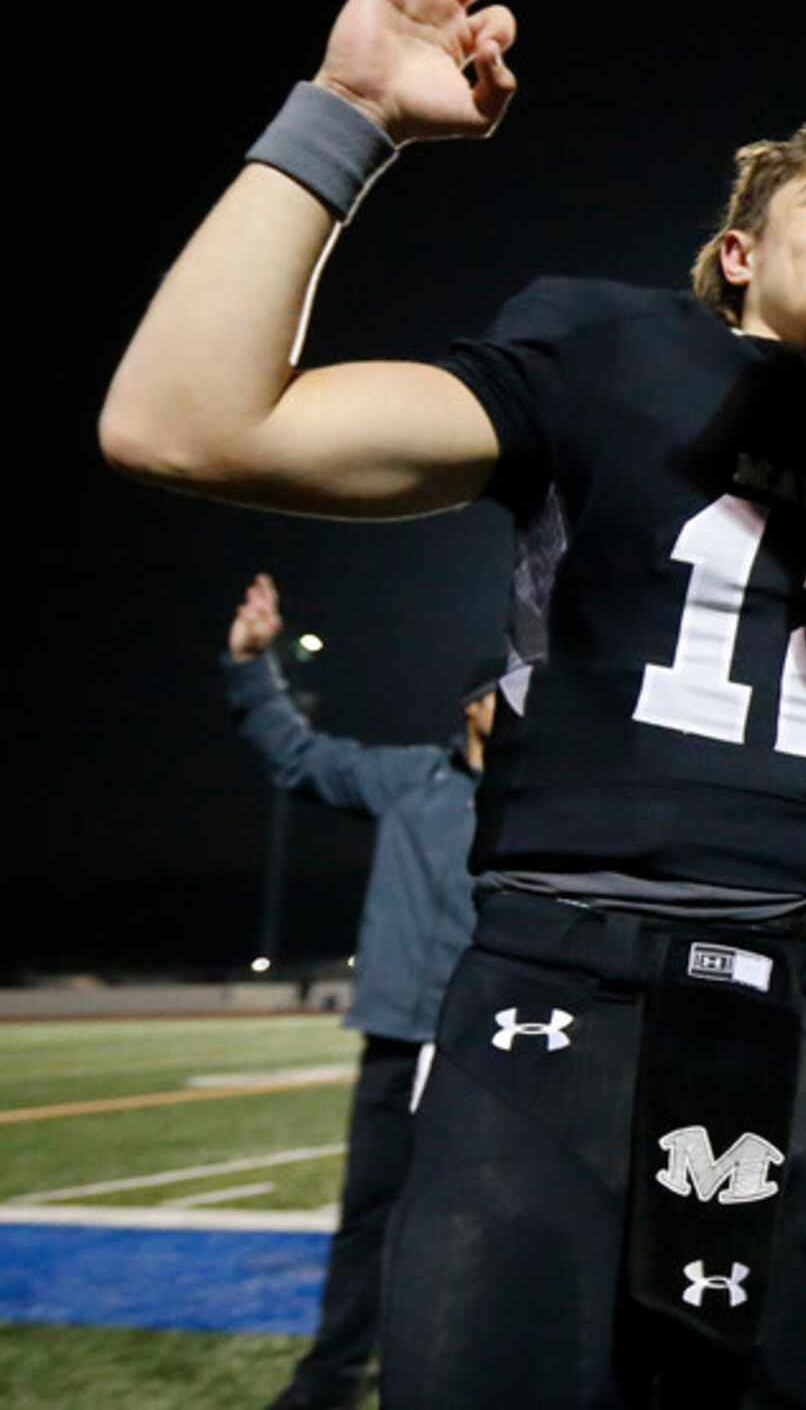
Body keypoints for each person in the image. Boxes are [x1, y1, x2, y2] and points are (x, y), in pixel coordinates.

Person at [101, 0, 806, 1409]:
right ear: (736, 254)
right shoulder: (608, 351)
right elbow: (183, 419)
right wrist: (346, 114)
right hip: (571, 972)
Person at [222, 572, 489, 1410]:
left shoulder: (550, 800)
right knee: (370, 1222)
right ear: (474, 705)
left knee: (506, 1232)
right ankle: (332, 1381)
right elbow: (298, 756)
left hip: (505, 1049)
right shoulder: (412, 779)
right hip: (402, 1038)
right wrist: (253, 666)